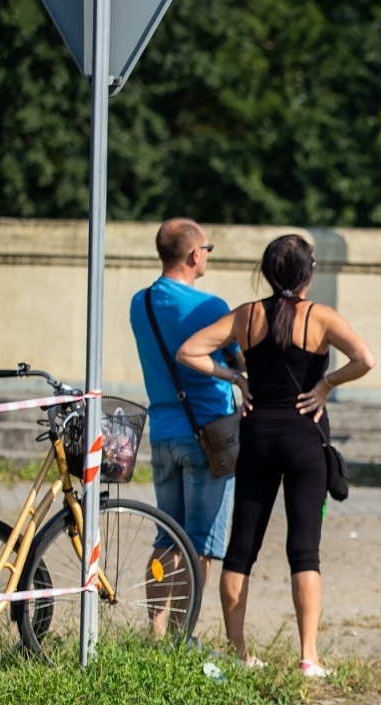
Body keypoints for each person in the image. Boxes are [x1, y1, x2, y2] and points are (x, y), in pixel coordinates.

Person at [178, 235, 376, 675]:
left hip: (258, 437)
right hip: (305, 439)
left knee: (241, 548)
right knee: (305, 550)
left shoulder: (248, 315)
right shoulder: (320, 316)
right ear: (309, 273)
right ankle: (309, 656)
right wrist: (326, 385)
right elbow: (365, 357)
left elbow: (188, 351)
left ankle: (237, 650)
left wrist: (236, 377)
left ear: (268, 272)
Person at [128, 218, 237, 618]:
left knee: (165, 535)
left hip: (162, 432)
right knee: (200, 542)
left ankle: (154, 629)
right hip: (209, 433)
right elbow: (236, 359)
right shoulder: (211, 307)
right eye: (207, 249)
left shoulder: (140, 304)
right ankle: (181, 634)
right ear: (195, 254)